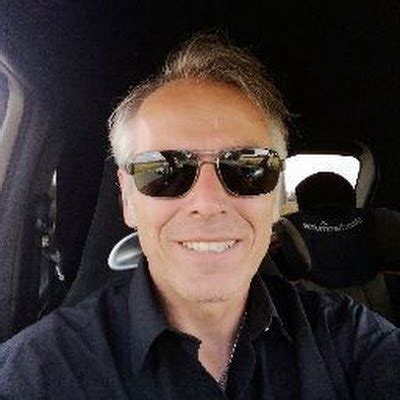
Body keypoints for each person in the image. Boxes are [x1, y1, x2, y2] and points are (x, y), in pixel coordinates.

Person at [0, 33, 399, 400]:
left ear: (275, 196)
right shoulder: (38, 372)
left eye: (248, 167)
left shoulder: (355, 341)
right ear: (128, 198)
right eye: (164, 170)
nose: (208, 202)